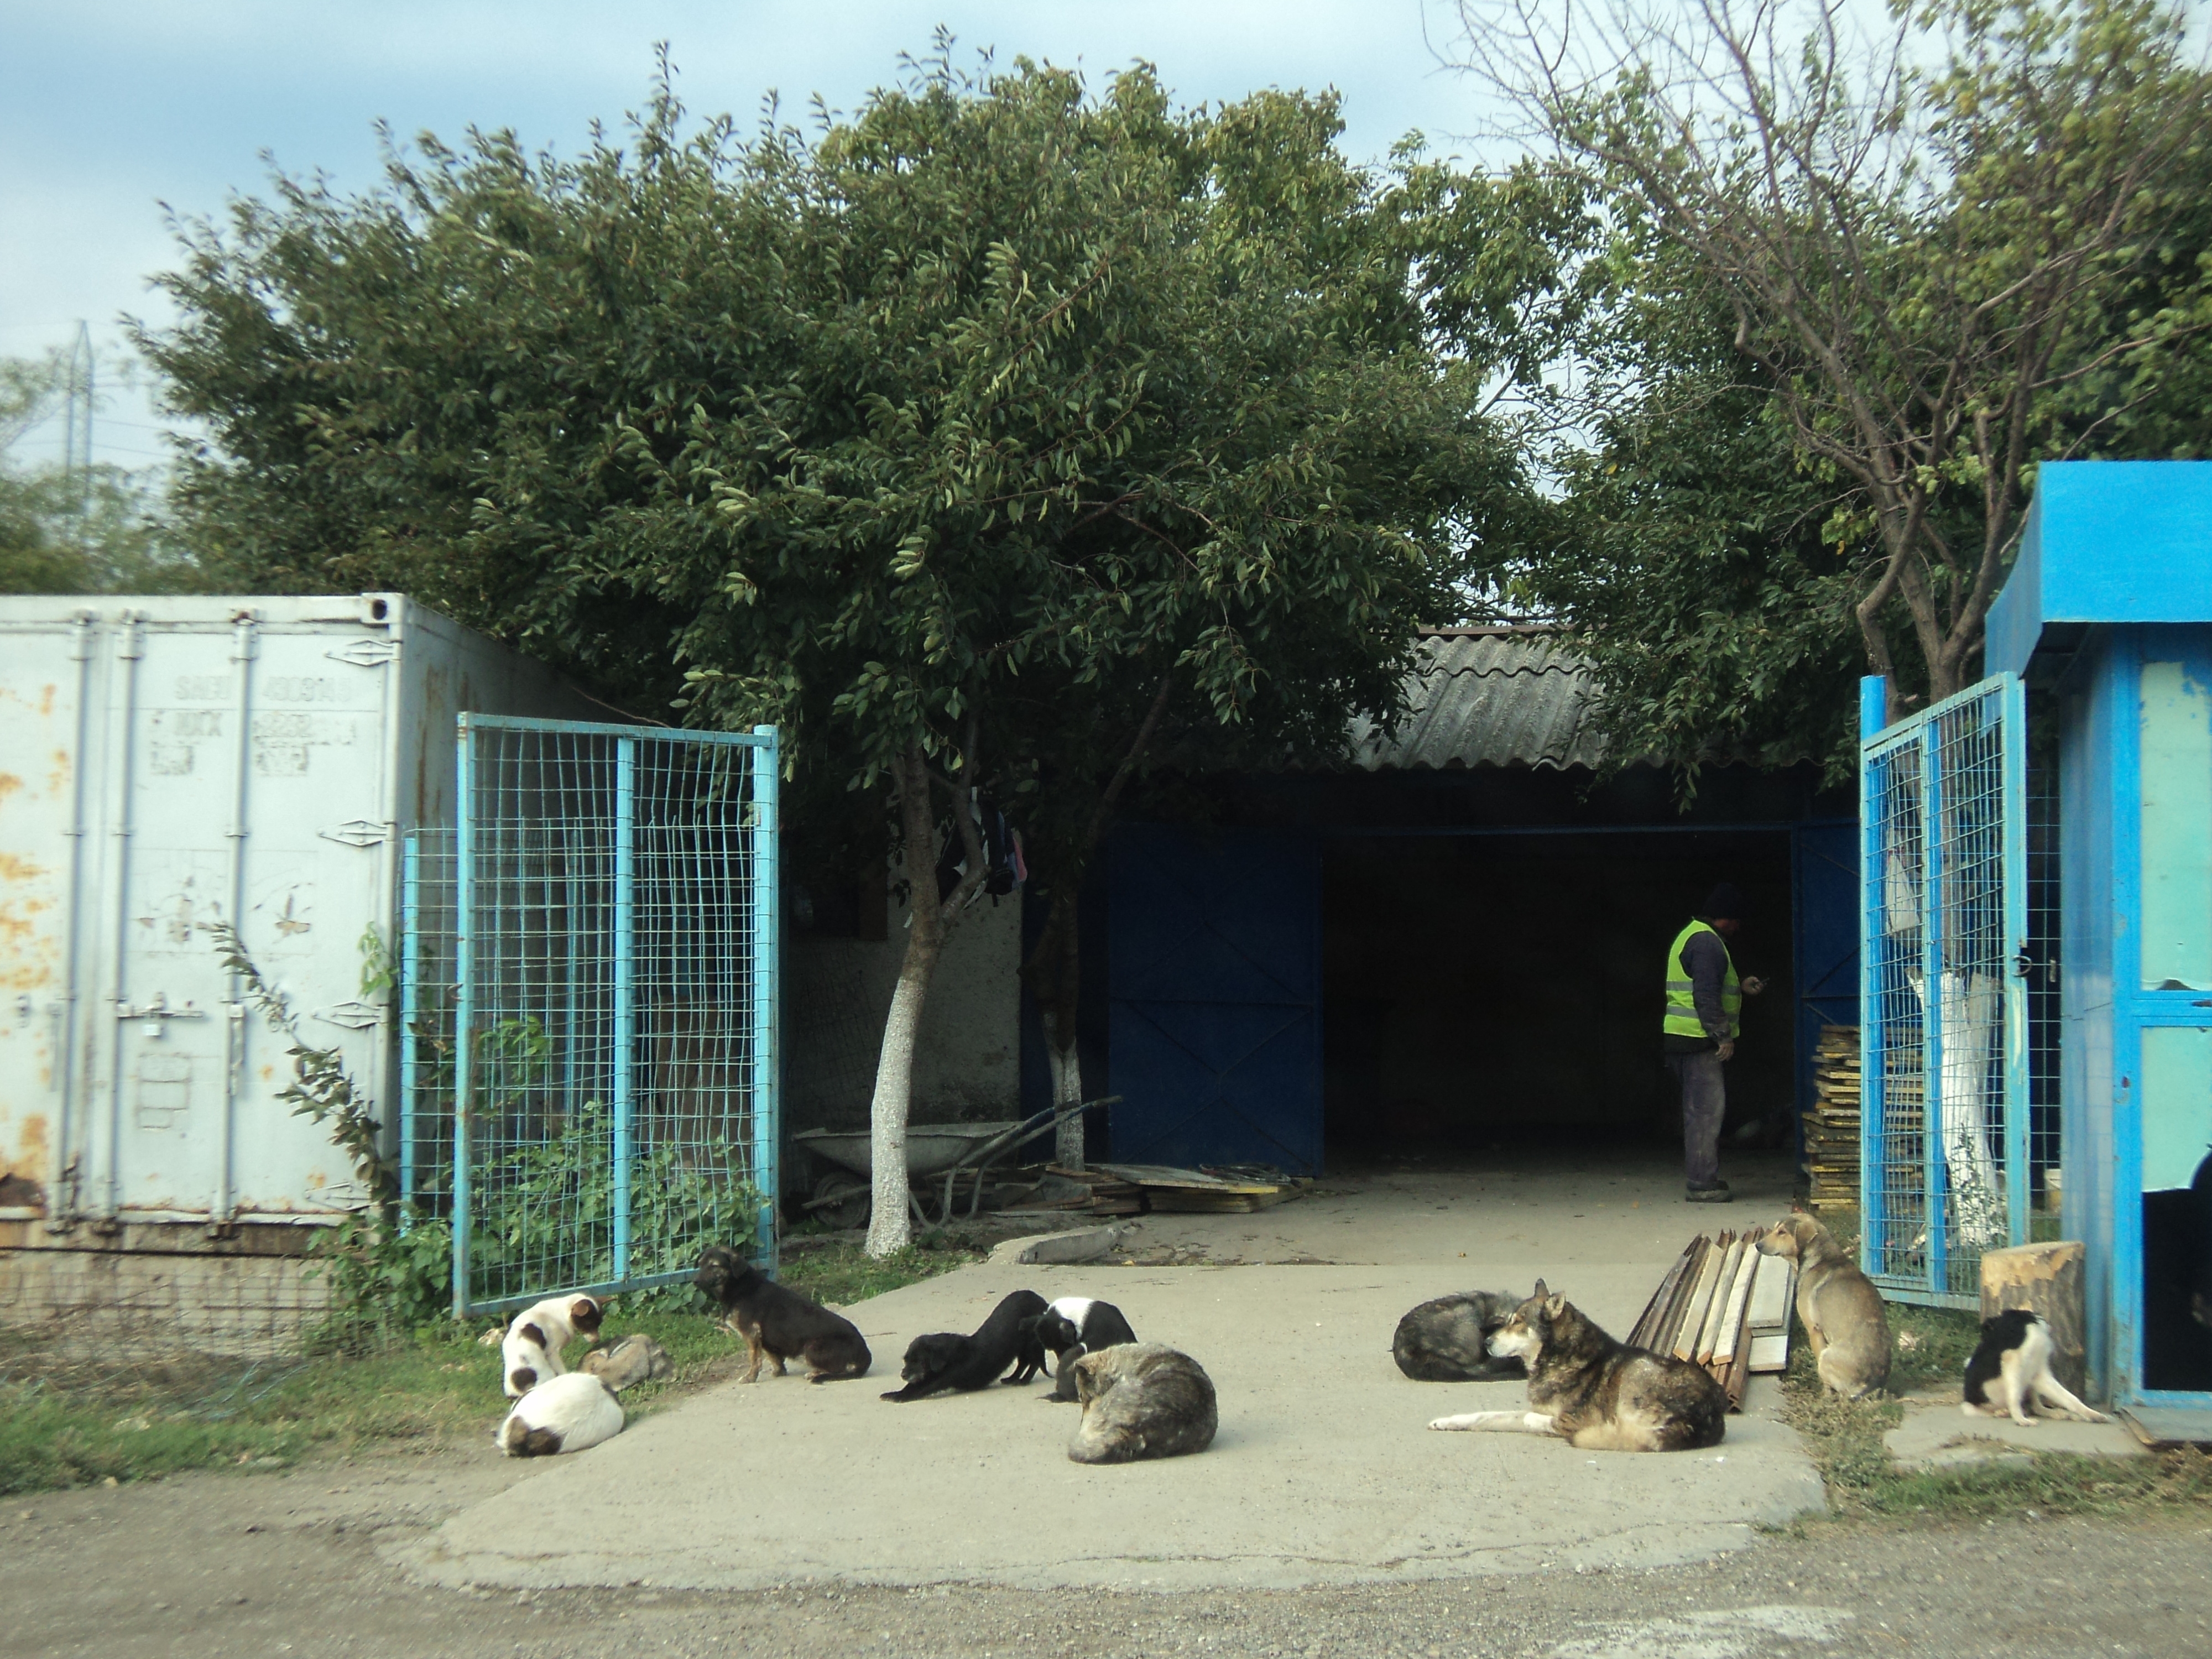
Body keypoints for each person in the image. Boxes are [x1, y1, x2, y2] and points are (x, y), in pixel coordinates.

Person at [1663, 883, 1765, 1202]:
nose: (1738, 926)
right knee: (1705, 1113)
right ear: (1726, 918)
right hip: (1698, 1042)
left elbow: (1711, 987)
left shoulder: (1696, 935)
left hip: (1686, 1039)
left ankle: (1702, 1179)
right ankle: (1702, 1185)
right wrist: (1722, 1036)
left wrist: (1742, 987)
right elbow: (1705, 995)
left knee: (1698, 1111)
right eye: (1736, 920)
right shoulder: (1707, 943)